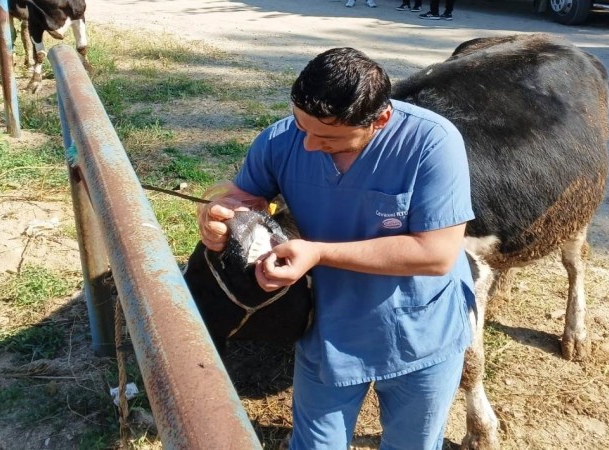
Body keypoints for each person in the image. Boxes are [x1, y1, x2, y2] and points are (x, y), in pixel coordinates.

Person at [198, 47, 475, 450]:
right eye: (302, 126)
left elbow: (436, 254)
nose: (308, 145)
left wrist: (319, 253)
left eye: (329, 138)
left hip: (420, 332)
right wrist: (219, 211)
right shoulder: (282, 139)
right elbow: (243, 197)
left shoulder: (432, 142)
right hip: (327, 328)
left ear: (380, 120)